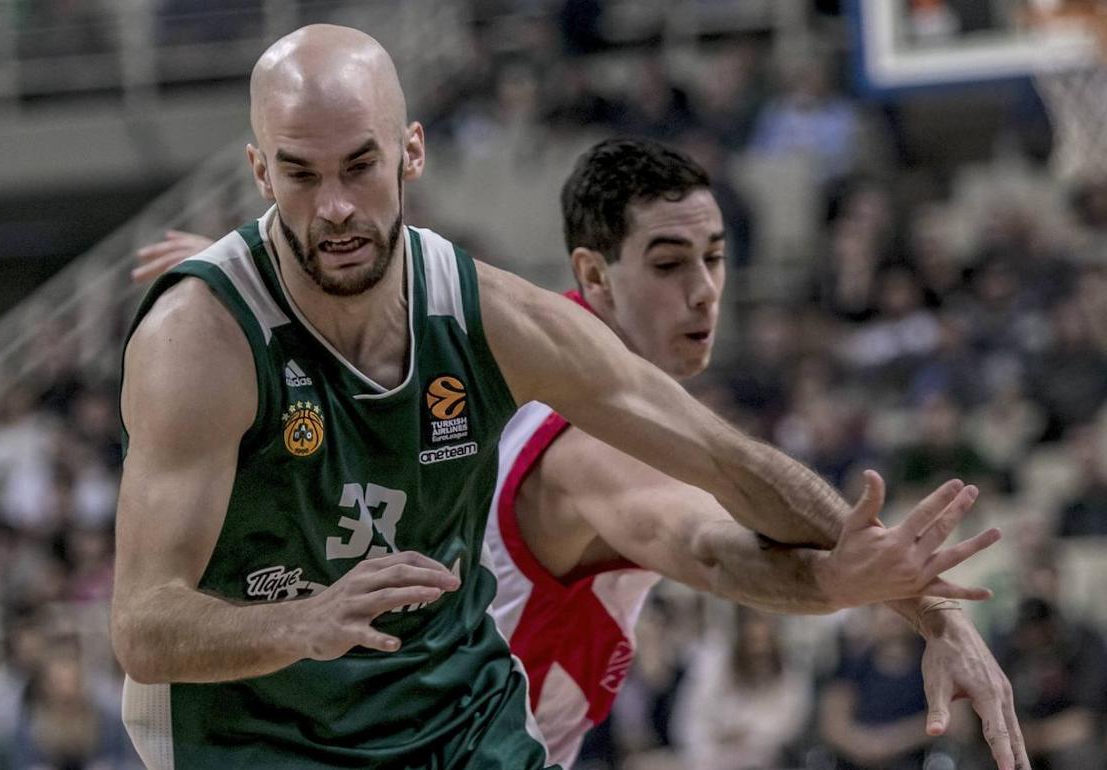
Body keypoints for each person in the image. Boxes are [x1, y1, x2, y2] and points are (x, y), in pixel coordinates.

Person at [114, 25, 1028, 769]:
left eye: (359, 168)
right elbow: (144, 627)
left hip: (454, 721)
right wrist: (305, 623)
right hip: (256, 737)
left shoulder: (495, 318)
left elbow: (730, 466)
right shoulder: (201, 338)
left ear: (411, 154)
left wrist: (929, 610)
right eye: (302, 176)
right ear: (261, 174)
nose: (338, 207)